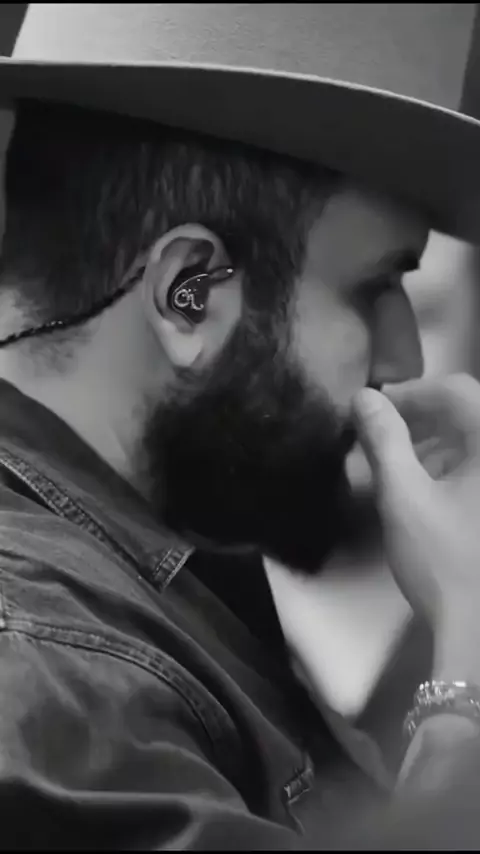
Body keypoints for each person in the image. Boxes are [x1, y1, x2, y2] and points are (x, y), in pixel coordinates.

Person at [0, 3, 480, 849]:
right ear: (188, 295)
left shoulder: (153, 565)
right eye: (374, 286)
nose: (404, 358)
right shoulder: (54, 675)